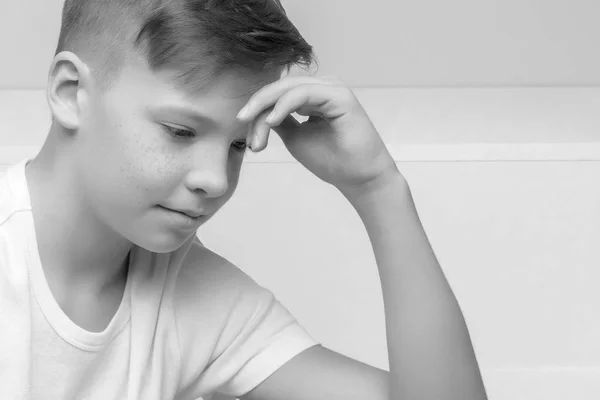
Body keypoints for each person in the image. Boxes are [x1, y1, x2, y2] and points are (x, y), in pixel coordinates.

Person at [0, 0, 488, 399]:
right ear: (70, 93)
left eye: (237, 145)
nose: (216, 180)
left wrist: (378, 187)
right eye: (181, 131)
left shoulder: (198, 298)